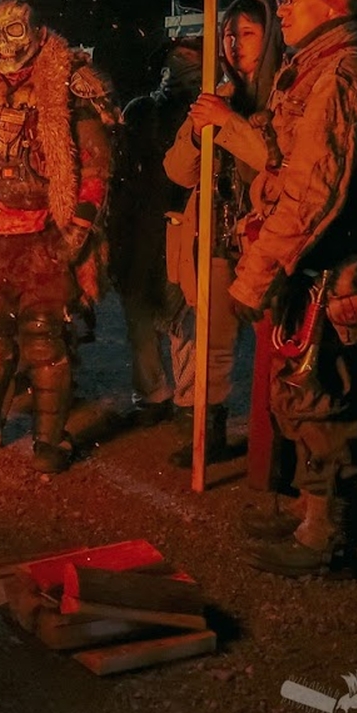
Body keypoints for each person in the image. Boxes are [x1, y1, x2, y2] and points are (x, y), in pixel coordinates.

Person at [232, 0, 357, 577]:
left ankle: (324, 540)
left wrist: (256, 276)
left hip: (336, 277)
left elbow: (312, 195)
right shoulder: (319, 67)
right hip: (318, 275)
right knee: (303, 397)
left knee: (323, 403)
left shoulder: (337, 76)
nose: (282, 8)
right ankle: (311, 516)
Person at [0, 0, 116, 473]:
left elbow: (96, 168)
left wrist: (76, 233)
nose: (3, 44)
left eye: (15, 31)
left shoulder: (69, 87)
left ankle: (48, 441)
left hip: (42, 237)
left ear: (39, 35)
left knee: (43, 340)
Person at [160, 0, 286, 470]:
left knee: (276, 346)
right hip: (214, 236)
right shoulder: (217, 95)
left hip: (268, 242)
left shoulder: (284, 96)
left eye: (247, 34)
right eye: (229, 35)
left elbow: (278, 164)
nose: (235, 44)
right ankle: (207, 437)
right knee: (210, 344)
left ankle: (275, 446)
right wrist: (198, 132)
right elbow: (177, 172)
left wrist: (228, 124)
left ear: (268, 36)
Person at [108, 39, 201, 434]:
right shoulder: (141, 109)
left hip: (187, 224)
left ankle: (190, 401)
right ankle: (152, 394)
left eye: (191, 58)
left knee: (186, 316)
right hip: (141, 227)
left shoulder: (206, 111)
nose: (181, 64)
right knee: (139, 316)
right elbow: (121, 175)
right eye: (176, 58)